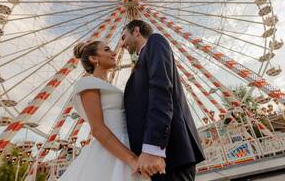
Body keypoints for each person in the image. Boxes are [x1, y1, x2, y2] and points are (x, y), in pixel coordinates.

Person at [121, 20, 205, 181]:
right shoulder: (142, 60)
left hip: (168, 152)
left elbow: (161, 91)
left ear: (136, 31)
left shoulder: (155, 41)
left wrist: (153, 148)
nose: (121, 44)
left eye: (124, 37)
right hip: (155, 159)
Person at [58, 40, 151, 181]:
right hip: (114, 149)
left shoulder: (108, 87)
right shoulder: (87, 83)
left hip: (128, 143)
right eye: (107, 50)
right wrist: (131, 159)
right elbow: (97, 128)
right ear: (94, 59)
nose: (114, 53)